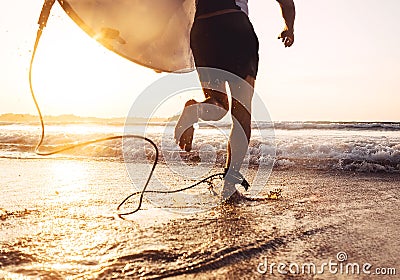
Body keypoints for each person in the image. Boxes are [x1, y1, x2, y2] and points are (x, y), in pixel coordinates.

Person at [174, 0, 295, 201]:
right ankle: (228, 187)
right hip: (235, 27)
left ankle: (196, 110)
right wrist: (288, 27)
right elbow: (287, 3)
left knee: (217, 104)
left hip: (203, 29)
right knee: (241, 115)